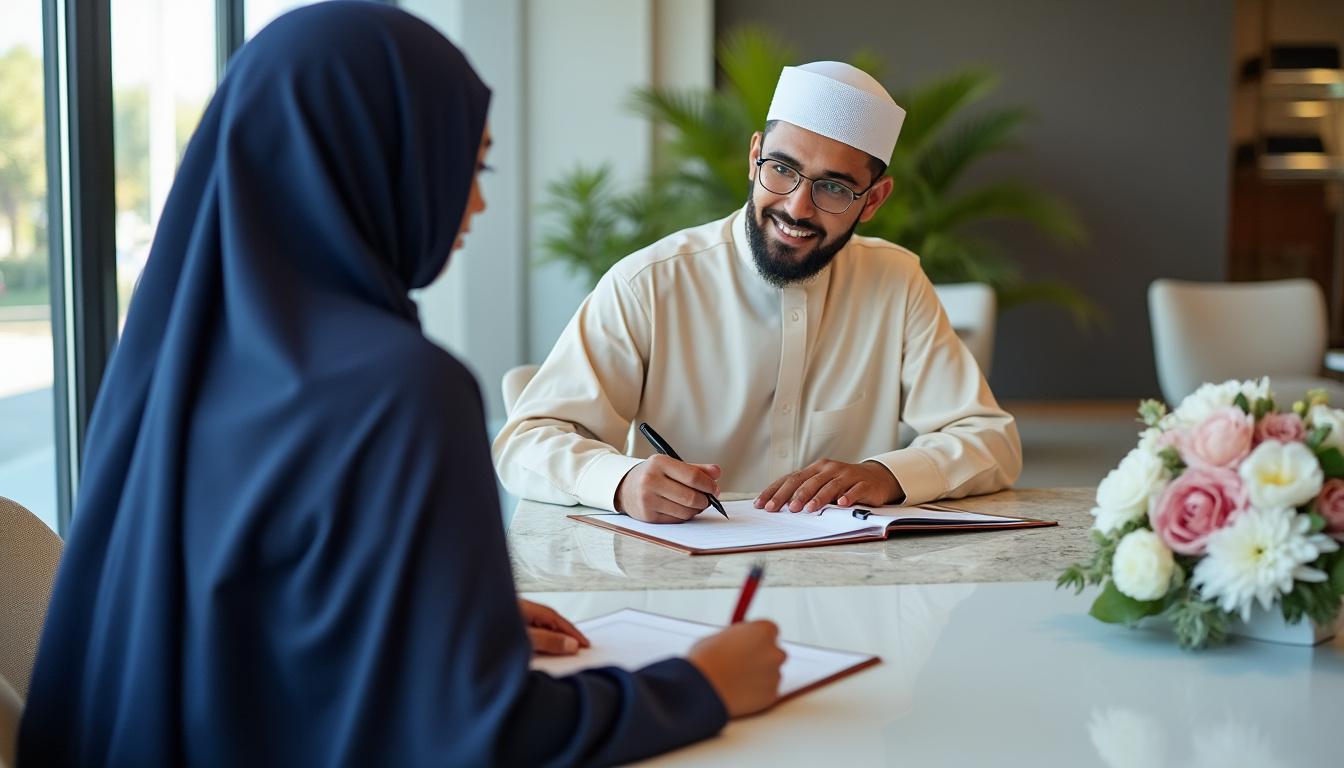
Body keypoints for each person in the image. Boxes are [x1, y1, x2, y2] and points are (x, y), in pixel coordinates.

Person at [19, 4, 784, 765]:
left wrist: (426, 624)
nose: (476, 203)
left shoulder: (163, 371)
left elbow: (229, 607)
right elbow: (484, 738)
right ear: (378, 161)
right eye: (469, 167)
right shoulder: (403, 393)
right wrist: (700, 687)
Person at [494, 61, 1023, 524]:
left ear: (873, 200)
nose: (797, 207)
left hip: (845, 578)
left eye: (834, 187)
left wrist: (886, 475)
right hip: (682, 578)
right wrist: (622, 482)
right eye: (783, 170)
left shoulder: (897, 281)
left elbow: (991, 440)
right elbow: (526, 442)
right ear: (755, 157)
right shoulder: (650, 283)